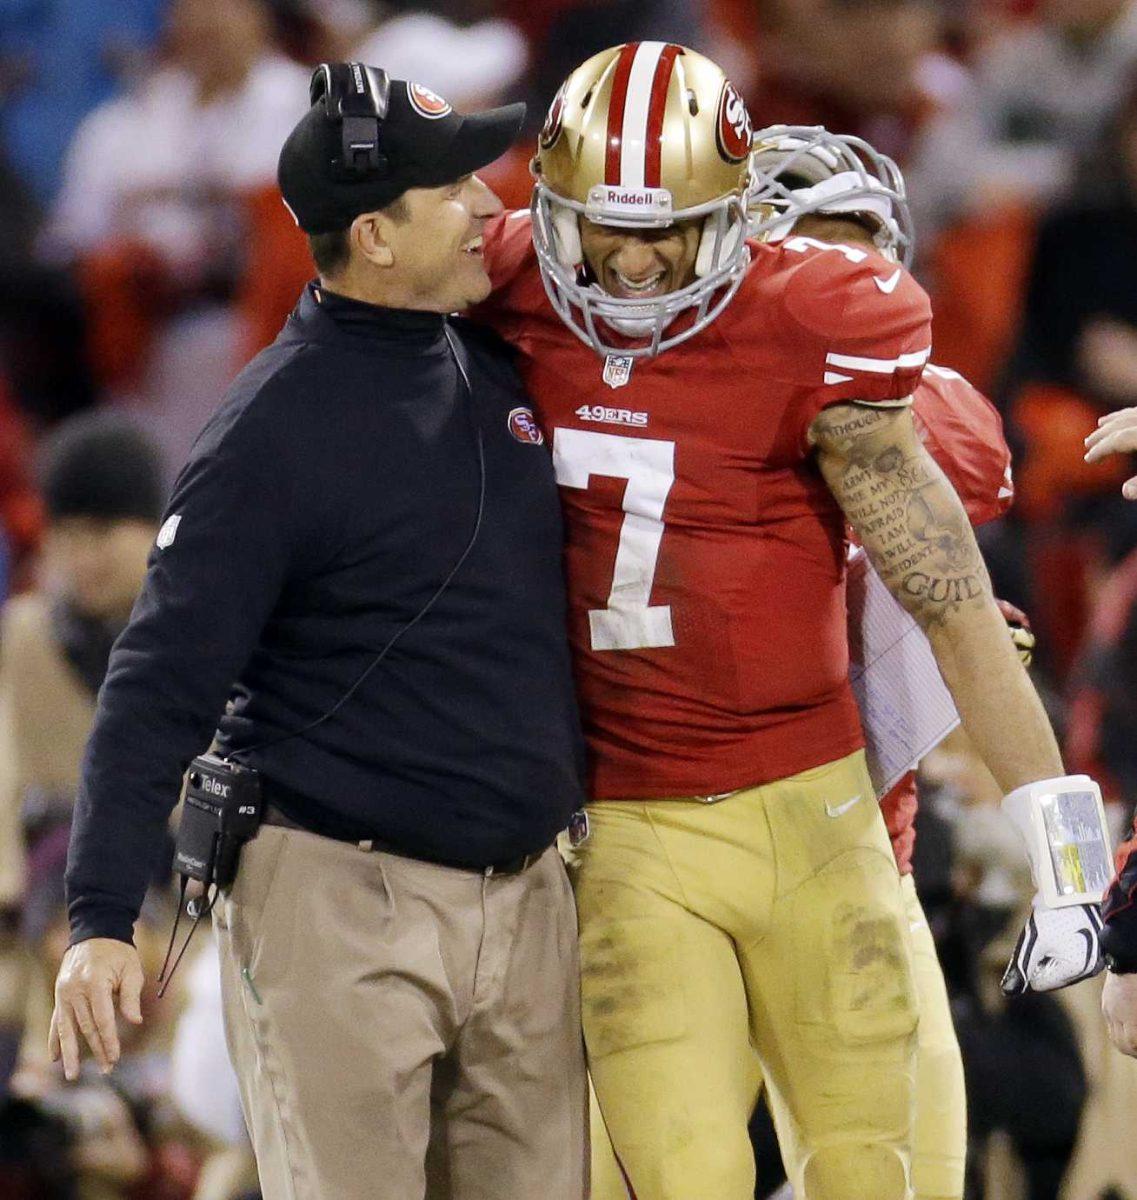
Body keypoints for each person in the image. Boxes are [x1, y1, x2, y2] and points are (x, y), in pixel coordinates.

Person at [475, 43, 1109, 1200]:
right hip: (626, 828)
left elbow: (954, 602)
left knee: (887, 1176)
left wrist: (1066, 868)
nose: (631, 260)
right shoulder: (497, 280)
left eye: (667, 225)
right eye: (601, 226)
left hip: (821, 815)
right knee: (683, 1179)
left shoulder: (816, 323)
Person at [50, 63, 588, 1200]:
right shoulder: (266, 436)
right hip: (345, 909)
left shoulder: (500, 360)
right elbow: (157, 681)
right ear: (377, 236)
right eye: (456, 189)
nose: (493, 205)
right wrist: (100, 914)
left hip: (530, 899)